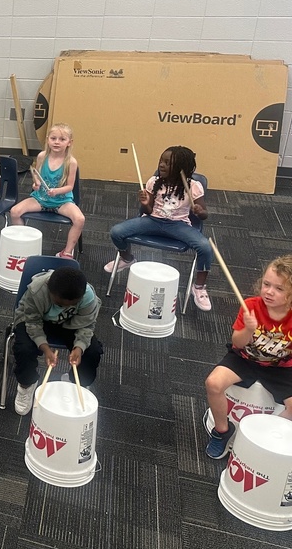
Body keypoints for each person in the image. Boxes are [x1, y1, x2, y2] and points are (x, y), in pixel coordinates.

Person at [204, 255, 292, 459]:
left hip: (281, 367)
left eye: (279, 289)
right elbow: (237, 342)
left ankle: (262, 440)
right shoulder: (251, 305)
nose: (269, 291)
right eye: (267, 284)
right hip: (244, 357)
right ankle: (222, 432)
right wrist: (249, 330)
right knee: (213, 383)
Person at [105, 145, 212, 311]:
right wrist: (146, 203)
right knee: (116, 232)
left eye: (167, 163)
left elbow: (203, 215)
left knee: (205, 247)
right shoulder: (154, 182)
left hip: (179, 225)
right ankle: (127, 259)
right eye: (161, 161)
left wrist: (199, 211)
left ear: (181, 168)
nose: (161, 165)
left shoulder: (194, 186)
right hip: (153, 221)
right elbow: (148, 211)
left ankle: (199, 287)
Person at [11, 266, 103, 415]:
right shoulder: (37, 290)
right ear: (49, 290)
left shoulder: (87, 297)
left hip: (70, 324)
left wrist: (78, 347)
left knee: (92, 351)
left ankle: (75, 382)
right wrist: (46, 349)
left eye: (72, 305)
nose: (65, 307)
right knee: (24, 349)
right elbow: (32, 323)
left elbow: (87, 326)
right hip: (36, 319)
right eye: (60, 304)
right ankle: (26, 384)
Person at [10, 122, 84, 259]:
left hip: (61, 201)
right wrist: (36, 185)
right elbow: (37, 177)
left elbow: (70, 187)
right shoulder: (41, 157)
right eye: (53, 138)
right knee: (15, 212)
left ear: (69, 142)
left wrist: (57, 191)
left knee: (79, 219)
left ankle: (66, 252)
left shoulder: (71, 162)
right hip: (41, 199)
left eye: (62, 139)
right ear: (48, 139)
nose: (57, 142)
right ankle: (25, 242)